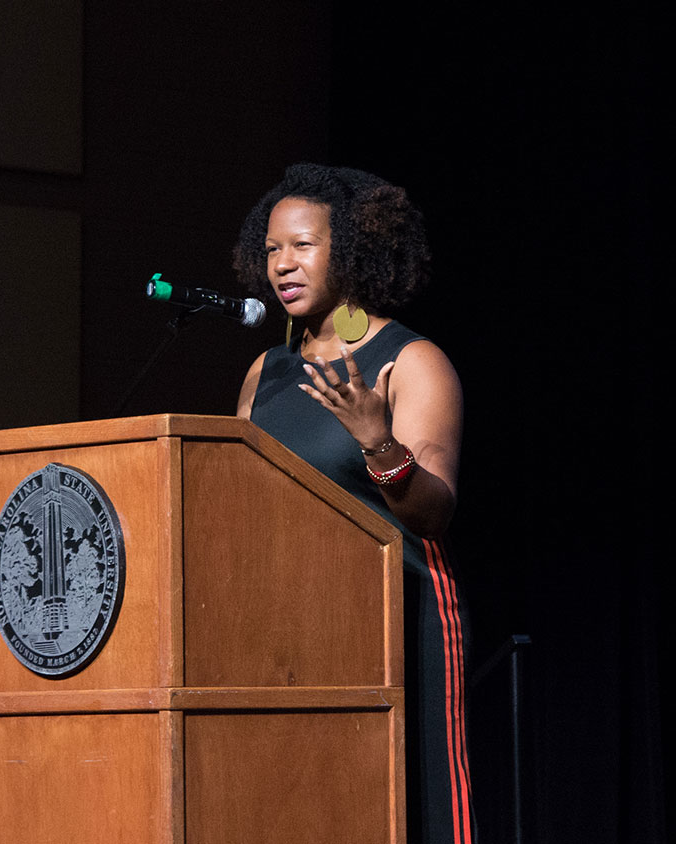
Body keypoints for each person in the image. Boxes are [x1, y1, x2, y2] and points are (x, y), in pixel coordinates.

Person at [233, 163, 472, 844]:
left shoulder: (411, 360)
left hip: (401, 613)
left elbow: (432, 511)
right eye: (273, 248)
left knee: (418, 803)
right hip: (296, 621)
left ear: (354, 251)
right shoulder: (266, 372)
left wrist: (378, 443)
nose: (284, 263)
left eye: (303, 245)